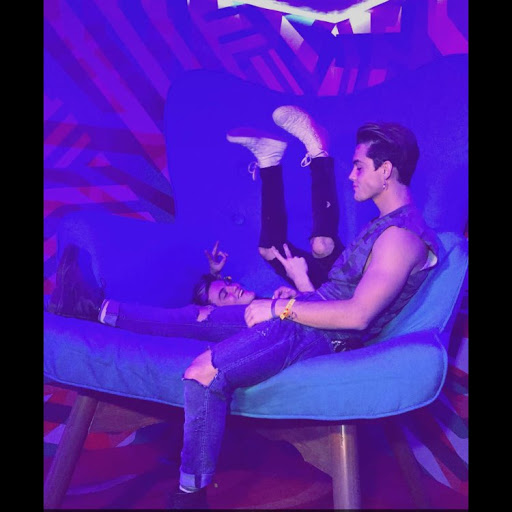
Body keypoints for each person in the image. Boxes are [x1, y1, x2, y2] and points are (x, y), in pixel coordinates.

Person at [167, 108, 439, 509]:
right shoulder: (386, 224)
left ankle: (189, 498)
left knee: (202, 373)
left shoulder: (400, 237)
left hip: (322, 331)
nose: (352, 176)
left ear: (386, 171)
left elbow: (358, 316)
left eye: (359, 167)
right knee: (204, 314)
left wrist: (284, 308)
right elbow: (339, 296)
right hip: (315, 311)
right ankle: (102, 312)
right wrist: (296, 297)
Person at [47, 106, 344, 344]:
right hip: (340, 298)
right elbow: (327, 332)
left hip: (326, 294)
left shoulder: (256, 308)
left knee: (269, 250)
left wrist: (218, 275)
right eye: (226, 294)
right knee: (321, 245)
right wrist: (300, 284)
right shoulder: (244, 324)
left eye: (228, 287)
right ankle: (318, 150)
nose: (234, 289)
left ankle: (270, 161)